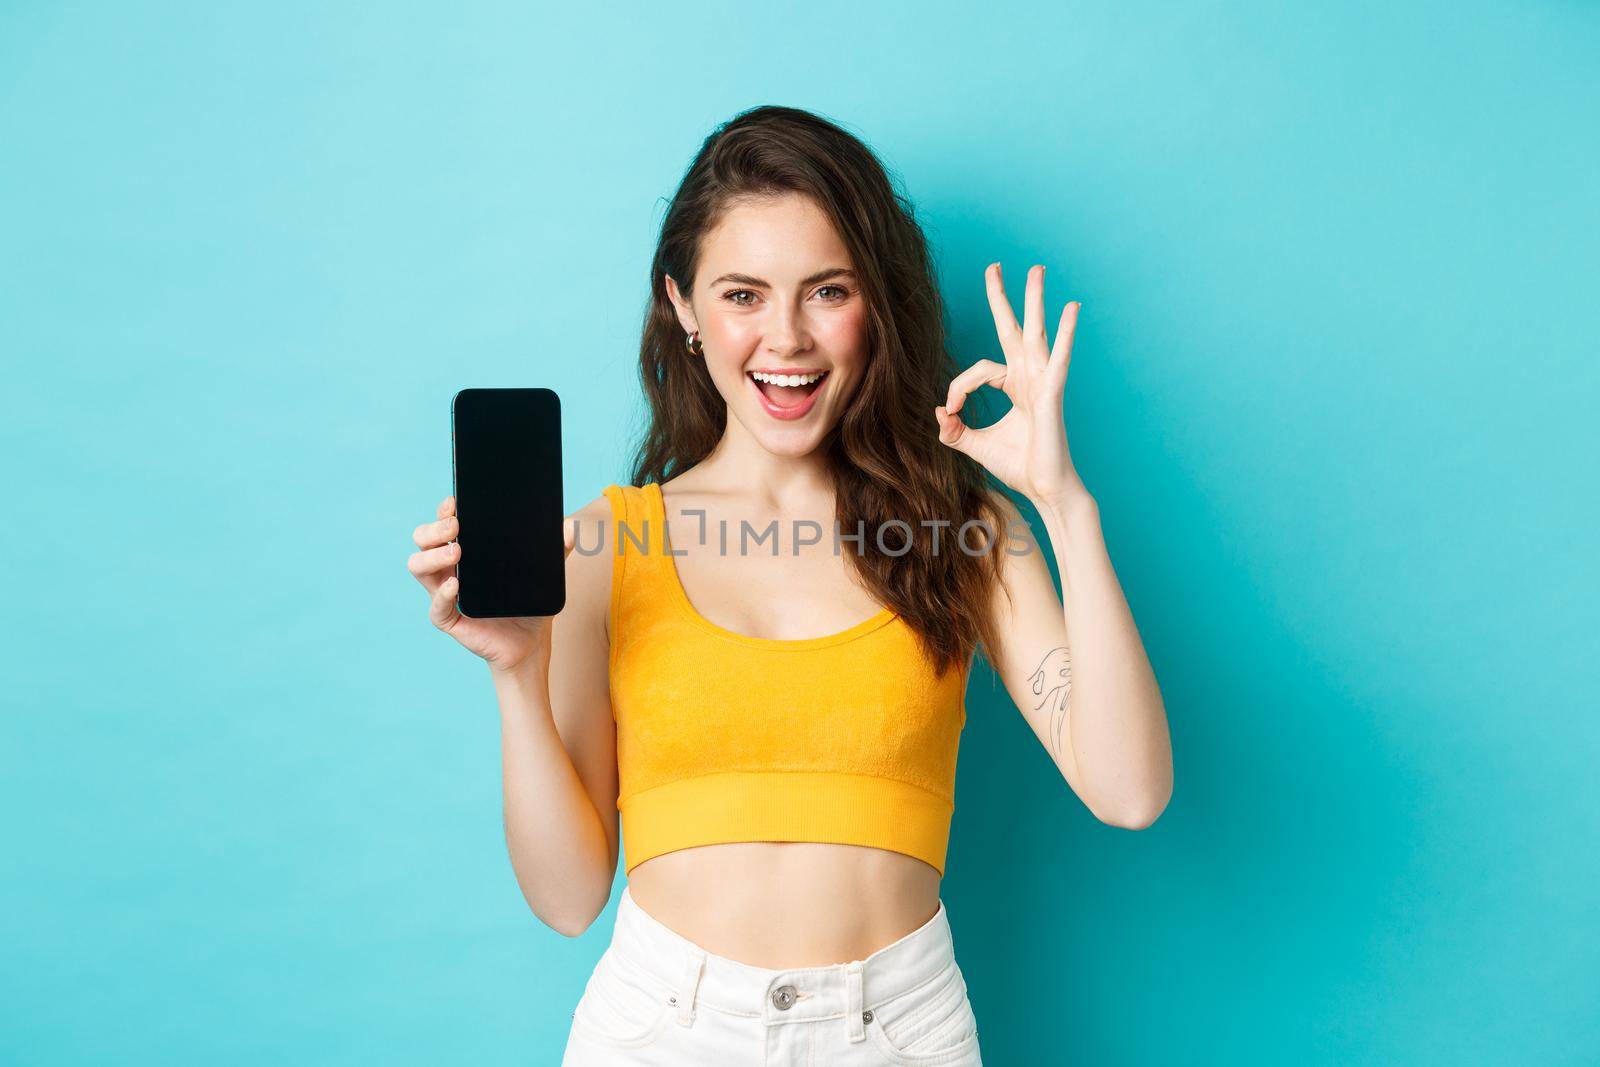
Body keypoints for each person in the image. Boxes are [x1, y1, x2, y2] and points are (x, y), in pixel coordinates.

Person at [407, 104, 1172, 1065]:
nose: (786, 338)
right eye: (742, 294)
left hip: (897, 1031)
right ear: (682, 306)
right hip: (658, 1028)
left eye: (826, 290)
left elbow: (1131, 790)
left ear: (874, 304)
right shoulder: (607, 544)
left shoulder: (964, 534)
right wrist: (517, 673)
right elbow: (568, 899)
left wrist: (1064, 505)